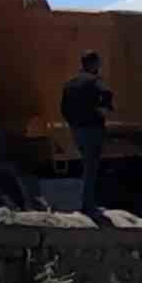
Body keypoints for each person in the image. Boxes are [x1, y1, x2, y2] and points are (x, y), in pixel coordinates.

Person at [61, 50, 113, 213]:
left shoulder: (70, 83)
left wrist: (73, 123)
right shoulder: (94, 81)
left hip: (77, 130)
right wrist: (103, 110)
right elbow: (106, 94)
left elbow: (63, 108)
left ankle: (84, 203)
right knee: (91, 168)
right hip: (93, 129)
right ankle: (88, 205)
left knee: (86, 165)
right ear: (94, 64)